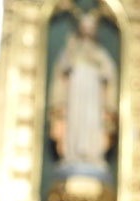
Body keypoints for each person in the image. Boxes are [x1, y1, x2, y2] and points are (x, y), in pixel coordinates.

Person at [48, 12, 118, 176]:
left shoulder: (100, 53)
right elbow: (61, 71)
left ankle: (92, 154)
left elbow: (109, 74)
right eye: (85, 27)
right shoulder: (70, 50)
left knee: (91, 120)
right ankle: (72, 154)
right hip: (75, 95)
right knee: (75, 120)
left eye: (91, 27)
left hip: (93, 96)